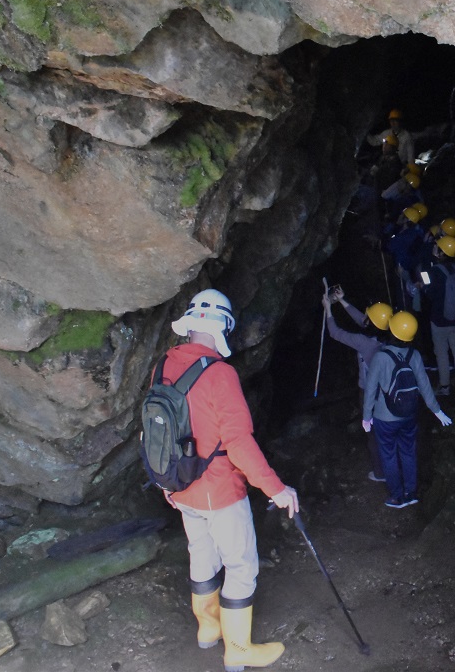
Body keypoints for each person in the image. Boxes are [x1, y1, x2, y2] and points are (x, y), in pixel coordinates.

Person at [162, 288, 299, 672]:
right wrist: (276, 488)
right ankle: (238, 649)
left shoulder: (164, 365)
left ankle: (208, 628)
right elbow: (238, 443)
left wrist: (166, 484)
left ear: (190, 323)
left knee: (201, 553)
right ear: (223, 326)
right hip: (219, 490)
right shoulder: (220, 374)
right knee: (240, 565)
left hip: (179, 486)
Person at [362, 311, 452, 508]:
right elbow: (425, 385)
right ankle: (411, 493)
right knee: (408, 453)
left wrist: (366, 417)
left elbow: (370, 389)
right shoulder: (415, 355)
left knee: (389, 455)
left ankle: (397, 496)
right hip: (409, 415)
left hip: (385, 418)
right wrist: (437, 411)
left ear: (392, 331)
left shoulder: (380, 357)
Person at [322, 285, 391, 483]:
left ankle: (381, 473)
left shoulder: (363, 342)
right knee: (388, 429)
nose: (364, 317)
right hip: (389, 389)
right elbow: (365, 321)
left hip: (370, 392)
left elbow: (335, 333)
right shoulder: (389, 334)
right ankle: (394, 465)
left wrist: (328, 308)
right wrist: (342, 301)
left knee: (373, 432)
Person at [421, 236, 455, 397]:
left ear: (442, 252)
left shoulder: (435, 271)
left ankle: (445, 386)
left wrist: (424, 286)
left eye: (437, 246)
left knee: (441, 352)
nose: (435, 247)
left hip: (440, 320)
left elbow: (430, 293)